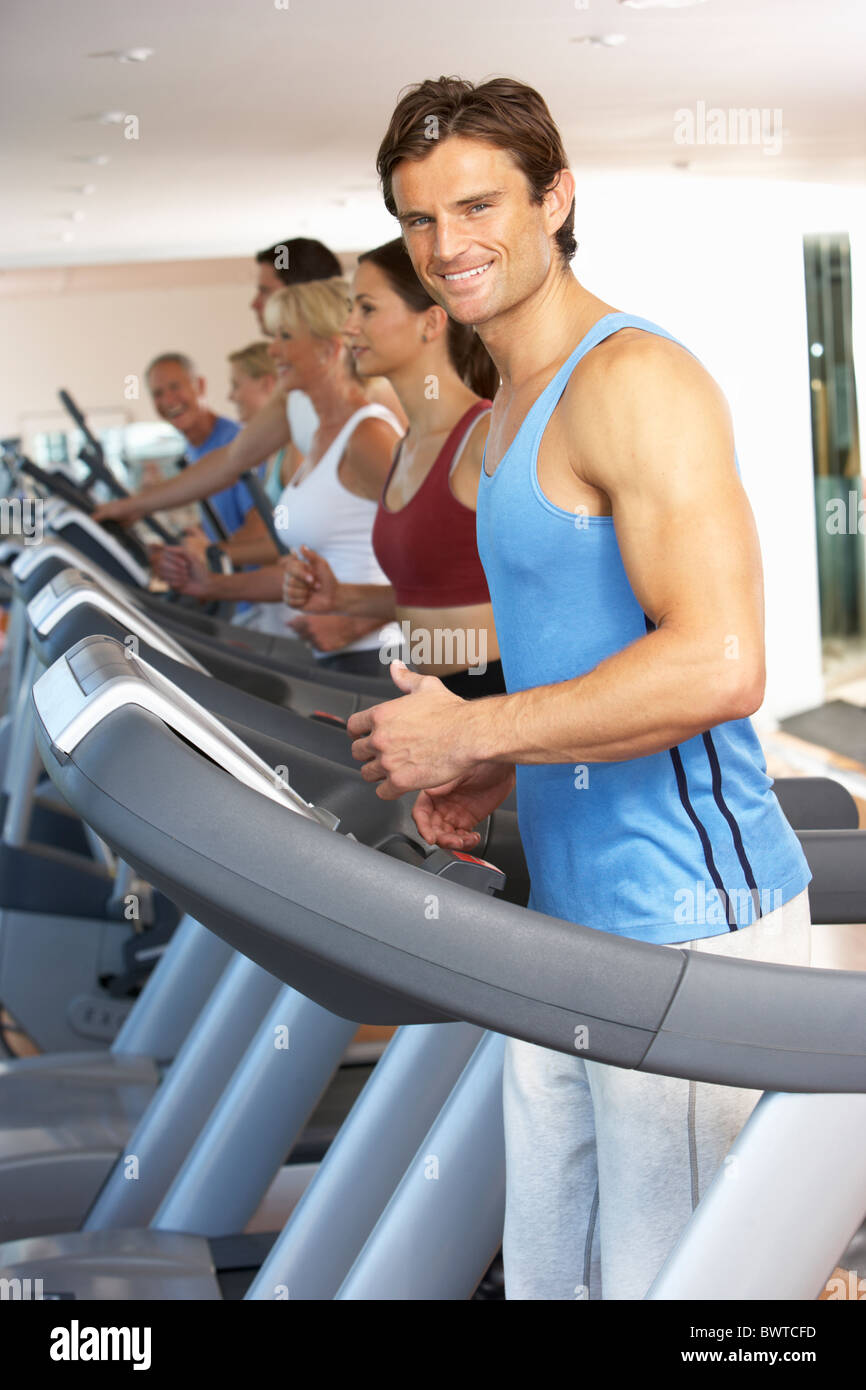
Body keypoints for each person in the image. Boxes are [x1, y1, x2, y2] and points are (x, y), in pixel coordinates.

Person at [345, 76, 814, 1300]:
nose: (448, 245)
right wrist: (499, 756)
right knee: (559, 1273)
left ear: (555, 197)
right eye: (417, 219)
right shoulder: (501, 420)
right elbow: (584, 651)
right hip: (569, 915)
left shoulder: (634, 380)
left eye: (479, 202)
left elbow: (719, 662)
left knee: (694, 1287)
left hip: (687, 915)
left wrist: (474, 731)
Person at [283, 237, 505, 696]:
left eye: (366, 309)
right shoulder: (409, 446)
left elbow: (547, 592)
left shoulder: (484, 438)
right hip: (431, 691)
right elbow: (438, 596)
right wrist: (343, 597)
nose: (347, 328)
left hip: (492, 694)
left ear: (430, 322)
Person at [158, 277, 404, 673]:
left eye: (285, 337)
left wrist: (354, 622)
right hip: (336, 657)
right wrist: (213, 585)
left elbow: (445, 563)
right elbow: (303, 576)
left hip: (380, 656)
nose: (273, 350)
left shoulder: (369, 436)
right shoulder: (317, 440)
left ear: (329, 348)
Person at [94, 239, 407, 533]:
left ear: (302, 295)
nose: (255, 304)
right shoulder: (295, 397)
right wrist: (134, 506)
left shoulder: (375, 407)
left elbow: (414, 512)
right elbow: (232, 460)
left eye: (265, 292)